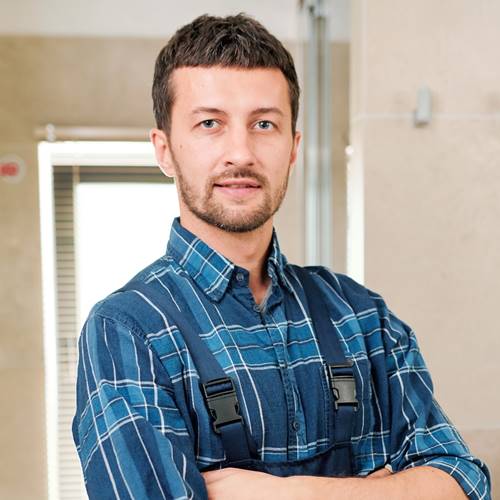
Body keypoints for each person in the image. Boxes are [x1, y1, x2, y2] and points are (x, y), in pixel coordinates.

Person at [73, 13, 490, 500]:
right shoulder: (127, 331)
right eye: (210, 123)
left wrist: (280, 492)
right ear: (164, 150)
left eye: (264, 124)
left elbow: (465, 482)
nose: (241, 153)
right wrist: (376, 489)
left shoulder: (362, 316)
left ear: (293, 147)